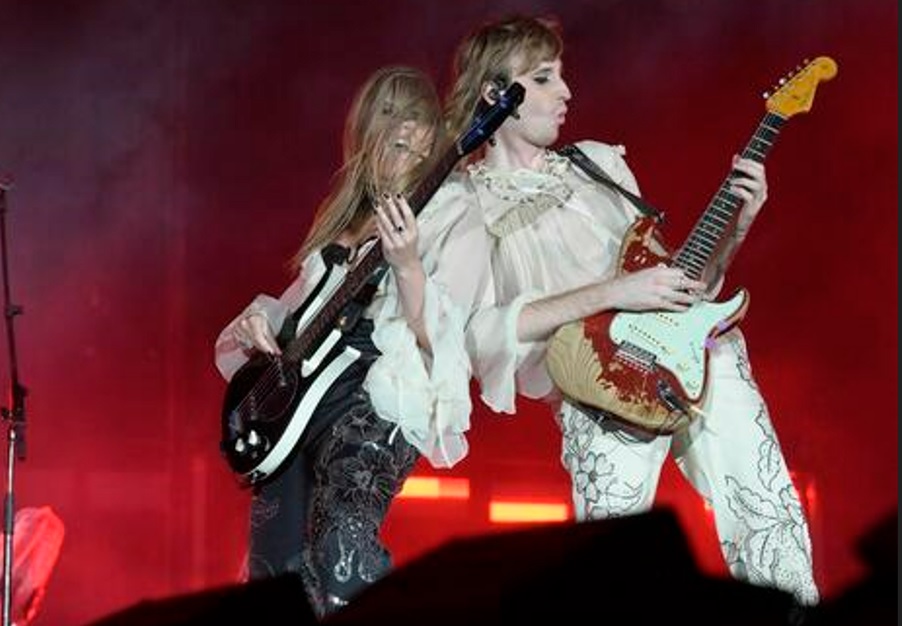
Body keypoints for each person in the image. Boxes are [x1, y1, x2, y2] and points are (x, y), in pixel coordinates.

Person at [437, 14, 820, 607]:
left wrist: (738, 228)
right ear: (496, 94)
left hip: (699, 359)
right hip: (596, 393)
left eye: (562, 76)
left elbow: (679, 287)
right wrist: (609, 295)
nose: (565, 92)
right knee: (611, 575)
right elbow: (477, 334)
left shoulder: (598, 164)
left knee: (771, 521)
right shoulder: (466, 201)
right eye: (543, 79)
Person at [214, 65, 486, 617]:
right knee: (275, 577)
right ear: (365, 136)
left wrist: (408, 266)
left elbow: (445, 338)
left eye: (416, 121)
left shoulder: (454, 207)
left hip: (378, 387)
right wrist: (256, 329)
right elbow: (288, 318)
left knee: (344, 557)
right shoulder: (339, 226)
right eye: (388, 119)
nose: (404, 136)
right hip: (298, 406)